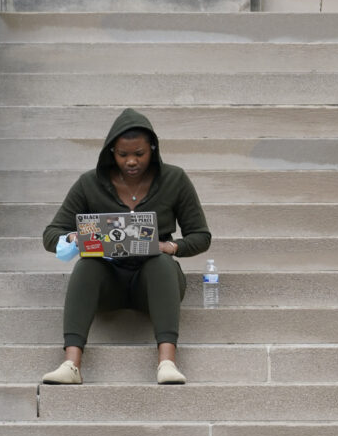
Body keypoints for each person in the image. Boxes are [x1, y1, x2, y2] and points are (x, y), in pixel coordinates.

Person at [40, 108, 211, 385]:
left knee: (161, 263)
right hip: (109, 284)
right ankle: (71, 364)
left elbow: (201, 236)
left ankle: (167, 362)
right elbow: (51, 234)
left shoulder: (174, 179)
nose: (131, 161)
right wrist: (76, 238)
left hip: (154, 284)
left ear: (152, 150)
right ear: (111, 153)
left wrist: (170, 247)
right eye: (123, 155)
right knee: (87, 265)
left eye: (139, 154)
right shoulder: (89, 184)